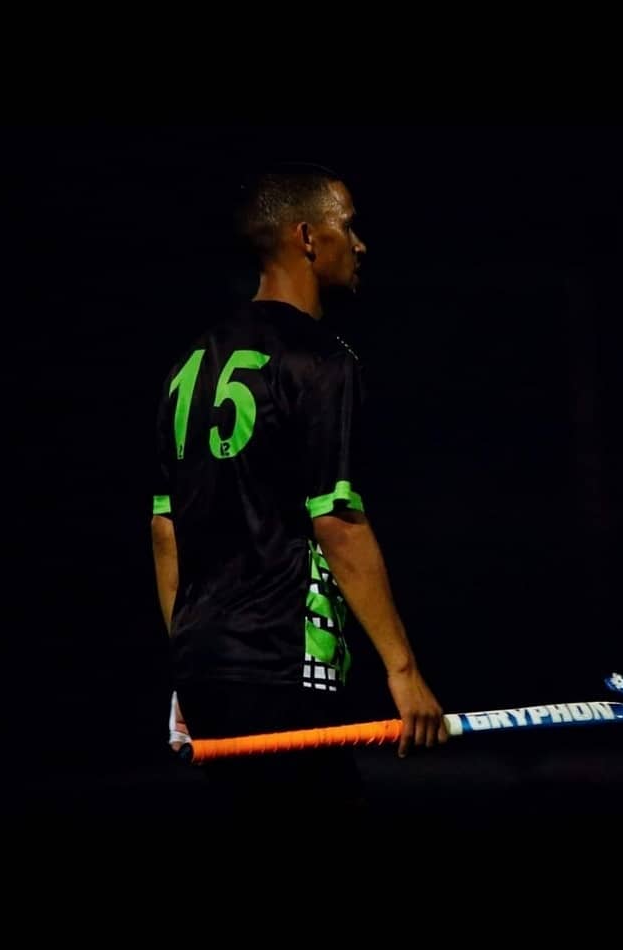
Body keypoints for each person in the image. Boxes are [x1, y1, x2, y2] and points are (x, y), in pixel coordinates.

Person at [150, 163, 447, 825]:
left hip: (204, 668)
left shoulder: (186, 366)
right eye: (349, 226)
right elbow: (337, 521)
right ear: (308, 237)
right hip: (281, 665)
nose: (360, 244)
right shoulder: (322, 360)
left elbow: (166, 529)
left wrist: (186, 667)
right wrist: (403, 672)